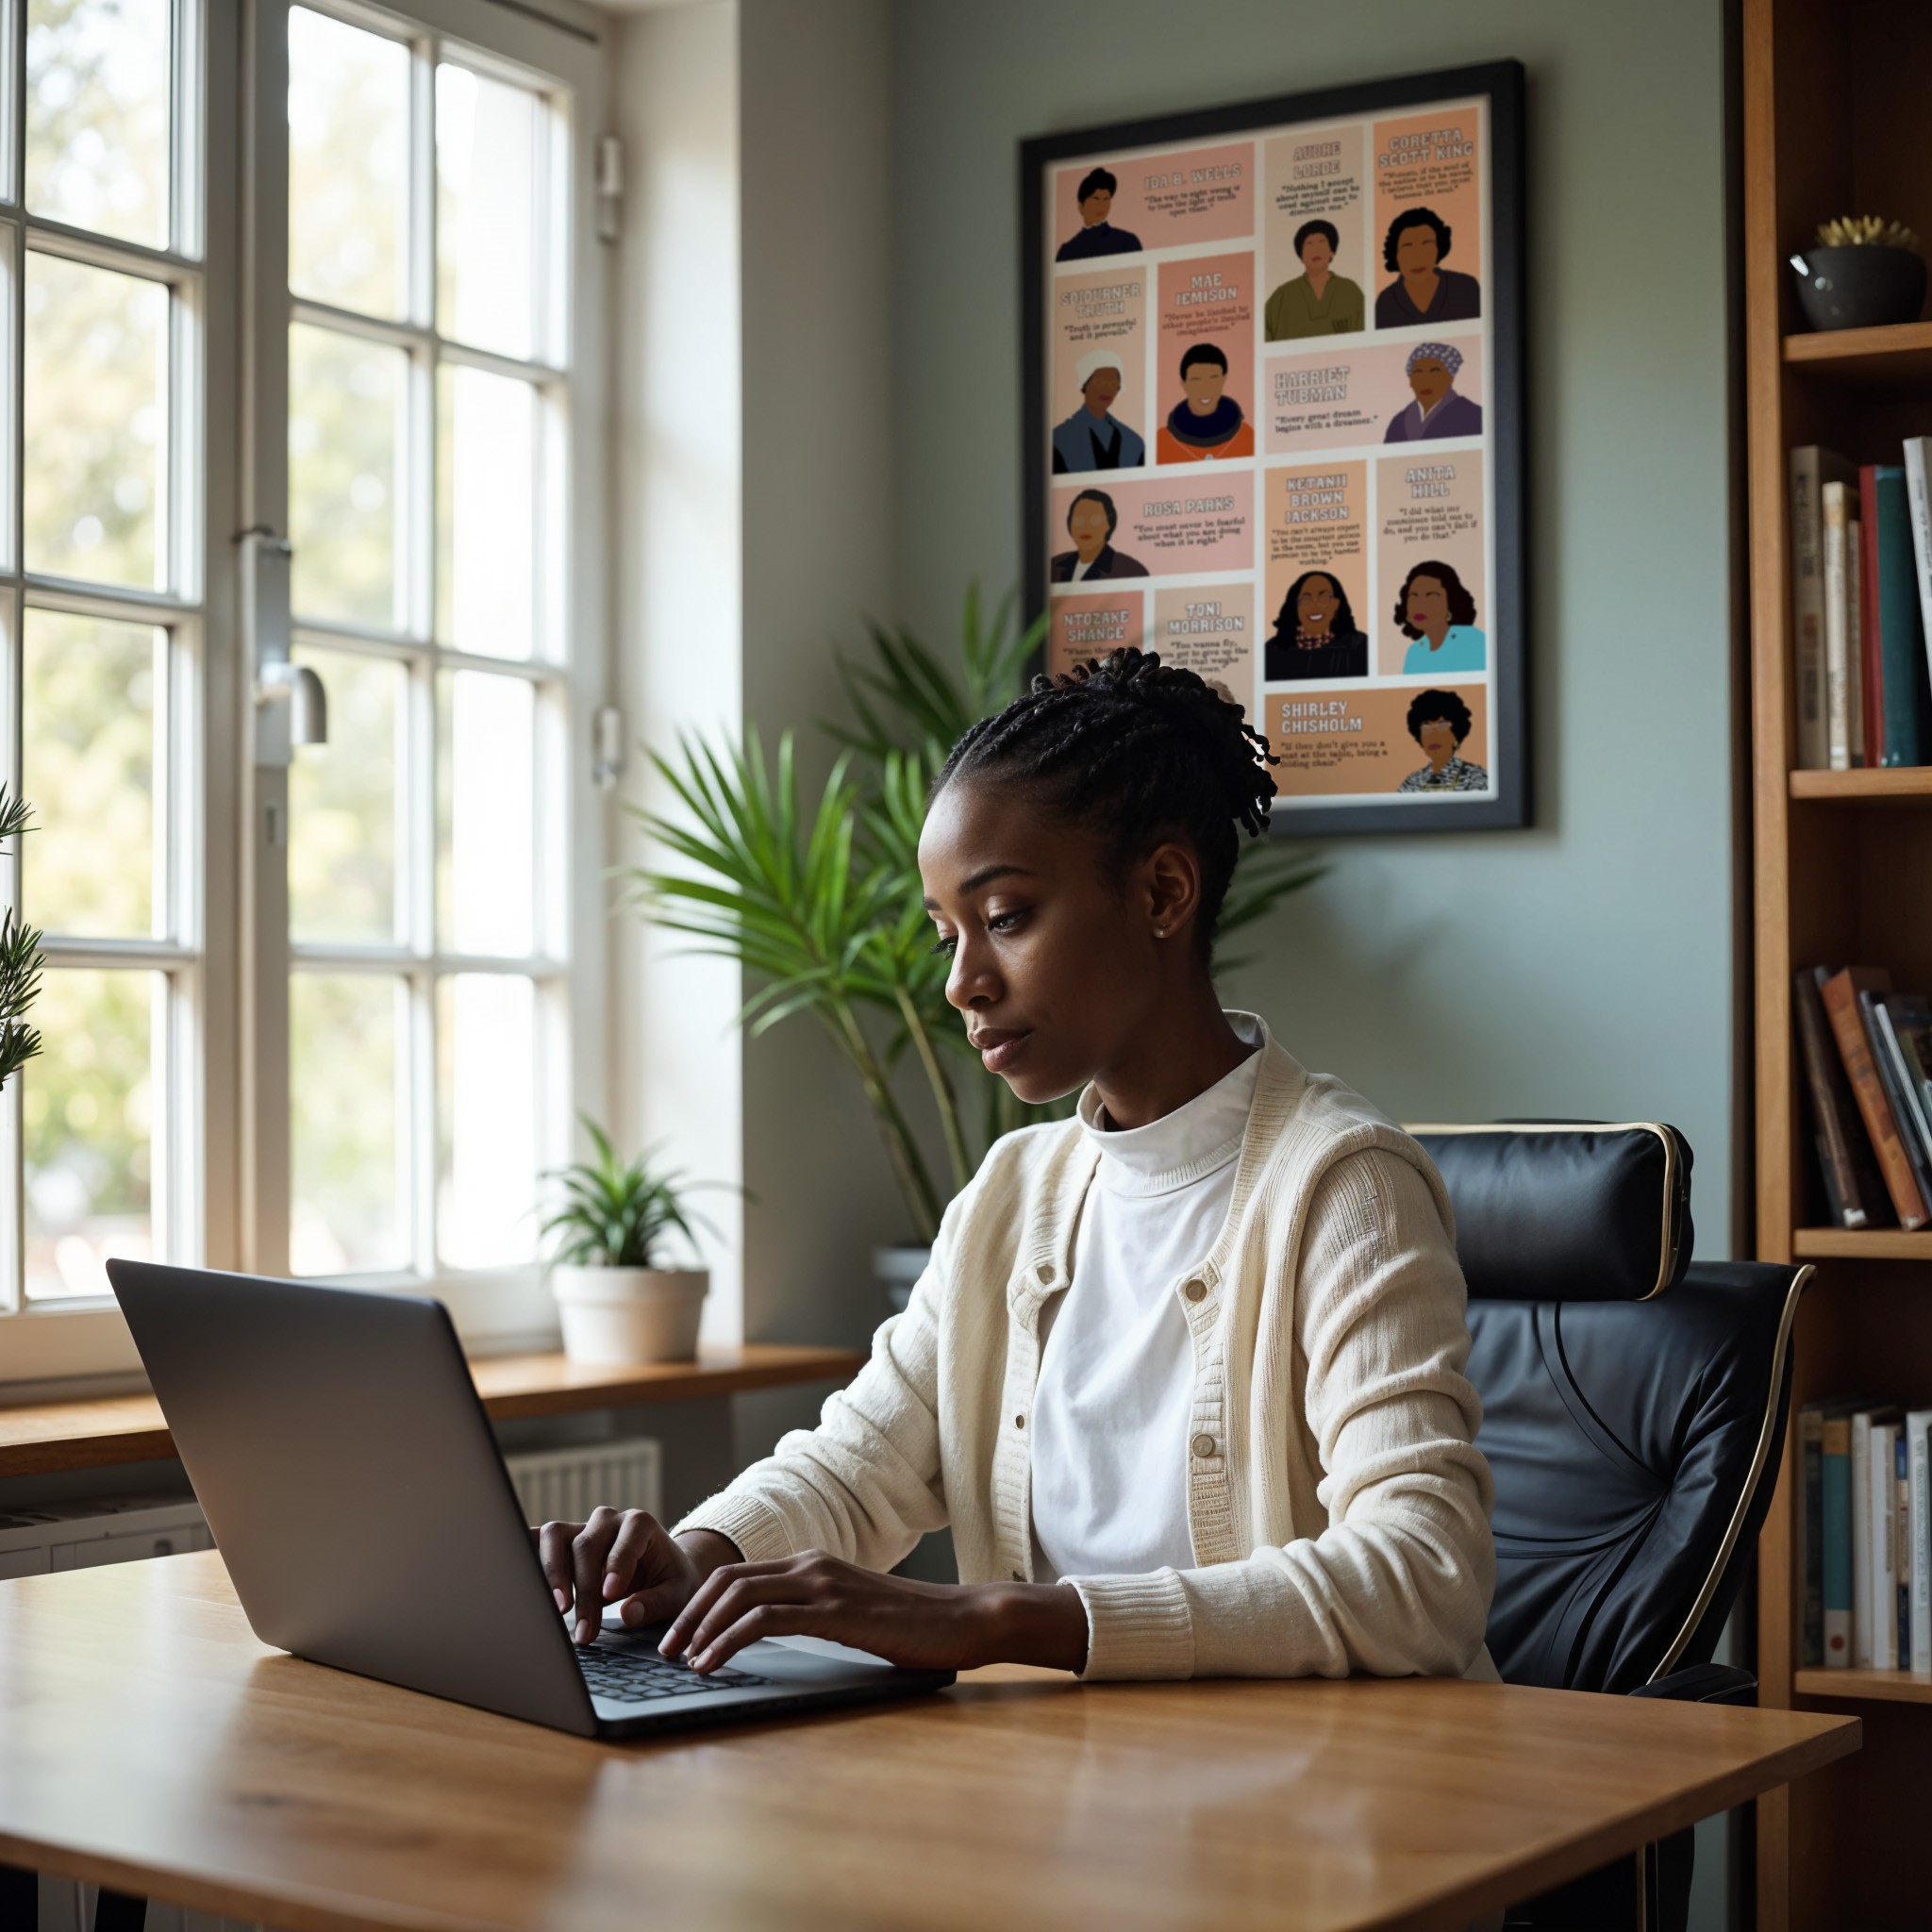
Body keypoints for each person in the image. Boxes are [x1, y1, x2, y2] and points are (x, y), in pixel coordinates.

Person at [536, 648, 1498, 1688]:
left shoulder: (1342, 1184)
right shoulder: (1012, 1190)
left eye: (1003, 918)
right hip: (1062, 1794)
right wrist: (697, 1554)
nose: (961, 982)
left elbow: (1422, 1573)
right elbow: (861, 1464)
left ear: (1163, 891)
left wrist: (993, 1618)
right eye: (947, 932)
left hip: (1320, 1809)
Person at [1374, 207, 1481, 327]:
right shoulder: (1386, 302)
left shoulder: (1466, 288)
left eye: (1426, 245)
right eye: (1408, 247)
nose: (1418, 257)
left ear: (1438, 248)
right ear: (1395, 254)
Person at [1263, 219, 1365, 341]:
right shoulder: (1282, 296)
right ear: (1301, 256)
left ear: (1332, 252)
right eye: (1309, 244)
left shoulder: (1350, 291)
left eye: (1322, 242)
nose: (1315, 250)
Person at [1156, 343, 1255, 463]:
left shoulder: (1247, 436)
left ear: (1224, 379)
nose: (1205, 389)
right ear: (1184, 385)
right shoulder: (1161, 442)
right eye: (1196, 380)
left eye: (1213, 378)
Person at [1052, 349, 1147, 474]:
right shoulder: (1060, 439)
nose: (1106, 389)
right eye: (1099, 383)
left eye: (1113, 384)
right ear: (1084, 385)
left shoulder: (1133, 441)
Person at [1262, 570, 1369, 680]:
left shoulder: (1359, 646)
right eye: (1306, 599)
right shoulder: (1272, 650)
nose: (1315, 606)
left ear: (1336, 604)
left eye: (1324, 598)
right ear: (1296, 607)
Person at [1393, 559, 1485, 673]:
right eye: (1414, 596)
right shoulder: (1414, 652)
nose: (1419, 605)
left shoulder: (1474, 642)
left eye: (1431, 596)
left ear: (1451, 602)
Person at [1383, 341, 1482, 442]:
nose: (1425, 381)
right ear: (1410, 381)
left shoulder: (1472, 415)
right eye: (1418, 373)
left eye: (1434, 372)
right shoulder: (1398, 422)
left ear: (1450, 378)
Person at [1397, 687, 1490, 793]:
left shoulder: (1475, 777)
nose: (1433, 735)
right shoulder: (1412, 781)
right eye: (1426, 728)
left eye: (1442, 727)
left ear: (1456, 732)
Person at [1049, 488, 1148, 582]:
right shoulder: (1053, 565)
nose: (1086, 527)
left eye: (1095, 520)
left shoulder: (1130, 570)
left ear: (1108, 524)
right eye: (1079, 520)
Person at [1056, 166, 1143, 262]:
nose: (1101, 206)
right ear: (1081, 206)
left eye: (1106, 199)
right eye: (1095, 199)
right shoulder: (1067, 252)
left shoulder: (1127, 242)